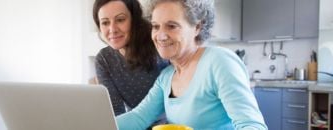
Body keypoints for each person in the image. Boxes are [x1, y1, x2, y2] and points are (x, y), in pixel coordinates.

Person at [116, 0, 268, 129]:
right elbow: (139, 117)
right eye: (156, 26)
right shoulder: (166, 77)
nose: (160, 36)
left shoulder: (219, 62)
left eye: (171, 26)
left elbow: (252, 125)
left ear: (197, 27)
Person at [92, 0, 168, 116]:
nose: (112, 29)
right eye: (105, 23)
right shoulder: (104, 59)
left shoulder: (159, 44)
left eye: (120, 20)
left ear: (134, 20)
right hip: (134, 123)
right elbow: (115, 111)